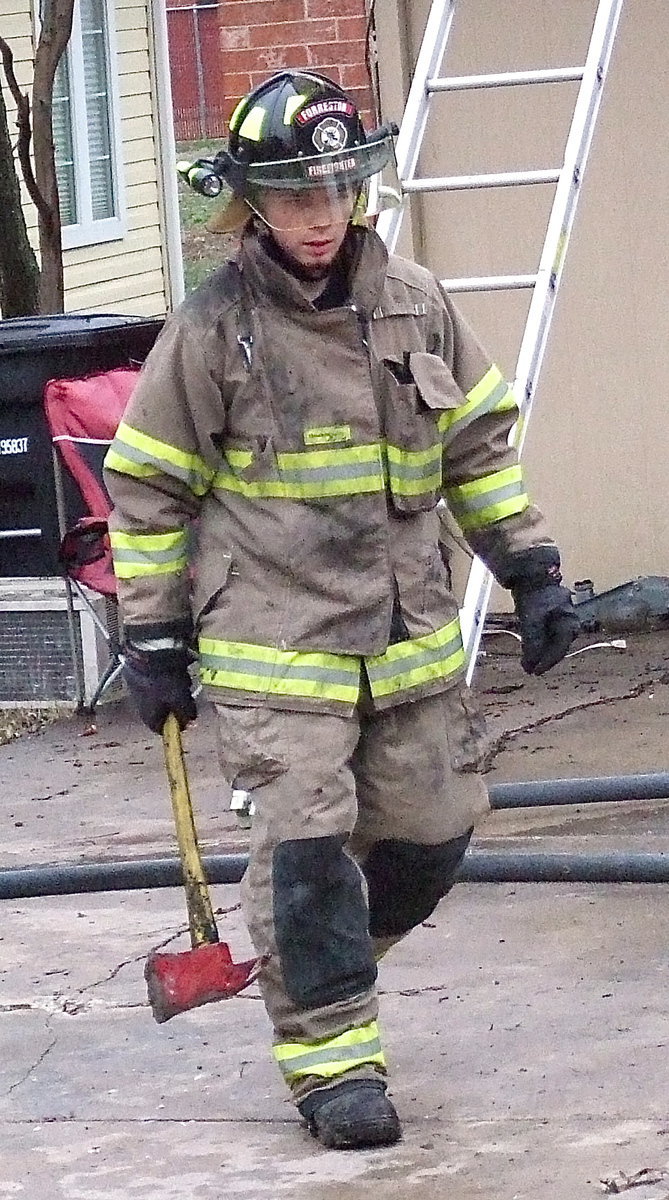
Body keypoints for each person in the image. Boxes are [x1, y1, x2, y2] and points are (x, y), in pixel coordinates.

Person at [104, 69, 579, 1151]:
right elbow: (149, 483)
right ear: (252, 204)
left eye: (334, 190)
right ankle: (334, 1064)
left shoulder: (415, 300)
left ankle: (314, 954)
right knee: (310, 850)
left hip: (406, 643)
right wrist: (153, 629)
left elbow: (480, 446)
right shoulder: (214, 329)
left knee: (434, 834)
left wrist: (533, 566)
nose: (319, 216)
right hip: (273, 653)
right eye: (293, 196)